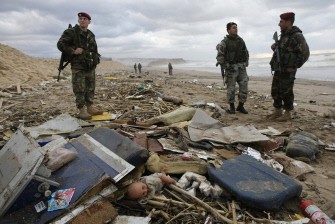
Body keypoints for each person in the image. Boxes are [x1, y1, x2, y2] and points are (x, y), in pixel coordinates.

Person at [57, 12, 102, 120]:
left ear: (89, 22)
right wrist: (73, 51)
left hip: (90, 66)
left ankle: (90, 107)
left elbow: (94, 50)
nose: (82, 20)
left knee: (90, 87)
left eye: (85, 19)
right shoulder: (71, 32)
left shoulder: (91, 34)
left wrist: (95, 59)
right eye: (81, 18)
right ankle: (82, 110)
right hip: (78, 65)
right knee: (79, 88)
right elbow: (60, 44)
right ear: (78, 20)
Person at [267, 12, 310, 121]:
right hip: (279, 68)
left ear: (288, 22)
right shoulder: (284, 35)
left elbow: (305, 53)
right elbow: (284, 50)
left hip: (288, 69)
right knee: (275, 90)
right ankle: (277, 111)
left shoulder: (297, 35)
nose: (279, 24)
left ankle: (287, 113)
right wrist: (275, 47)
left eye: (281, 22)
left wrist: (295, 66)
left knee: (286, 91)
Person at [216, 22, 249, 114]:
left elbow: (246, 52)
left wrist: (246, 62)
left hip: (241, 67)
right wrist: (224, 65)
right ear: (228, 30)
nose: (236, 29)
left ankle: (241, 106)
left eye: (236, 28)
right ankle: (231, 107)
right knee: (231, 88)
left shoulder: (241, 40)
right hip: (231, 68)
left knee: (244, 86)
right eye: (234, 28)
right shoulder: (224, 42)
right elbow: (220, 55)